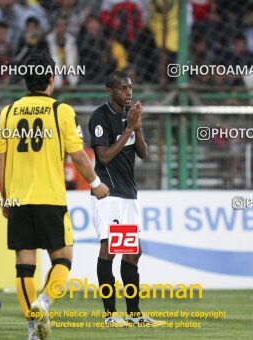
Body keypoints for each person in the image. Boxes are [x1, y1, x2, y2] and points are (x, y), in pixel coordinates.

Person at [0, 51, 109, 340]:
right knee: (63, 260)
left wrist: (5, 196)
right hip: (50, 198)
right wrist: (95, 183)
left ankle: (32, 328)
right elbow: (79, 156)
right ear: (50, 78)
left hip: (18, 199)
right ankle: (44, 301)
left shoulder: (7, 112)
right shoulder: (62, 111)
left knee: (24, 265)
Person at [88, 71, 162, 326]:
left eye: (130, 88)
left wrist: (137, 128)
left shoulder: (129, 117)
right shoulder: (100, 117)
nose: (128, 92)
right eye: (122, 88)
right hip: (108, 193)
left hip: (129, 194)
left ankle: (134, 314)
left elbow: (142, 153)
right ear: (110, 91)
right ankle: (110, 314)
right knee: (109, 249)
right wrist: (128, 128)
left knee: (132, 254)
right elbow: (104, 157)